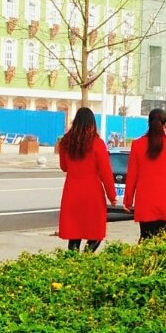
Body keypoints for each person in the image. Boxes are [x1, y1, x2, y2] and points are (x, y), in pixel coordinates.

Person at [124, 107, 166, 240]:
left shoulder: (137, 144)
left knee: (145, 237)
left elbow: (132, 174)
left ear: (148, 124)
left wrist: (128, 200)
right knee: (162, 239)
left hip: (145, 201)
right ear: (165, 125)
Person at [58, 105, 116, 251]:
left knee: (74, 232)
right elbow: (105, 172)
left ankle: (72, 264)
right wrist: (112, 195)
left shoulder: (66, 142)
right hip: (92, 191)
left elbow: (64, 167)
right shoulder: (97, 143)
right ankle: (87, 257)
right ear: (92, 123)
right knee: (96, 231)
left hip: (71, 190)